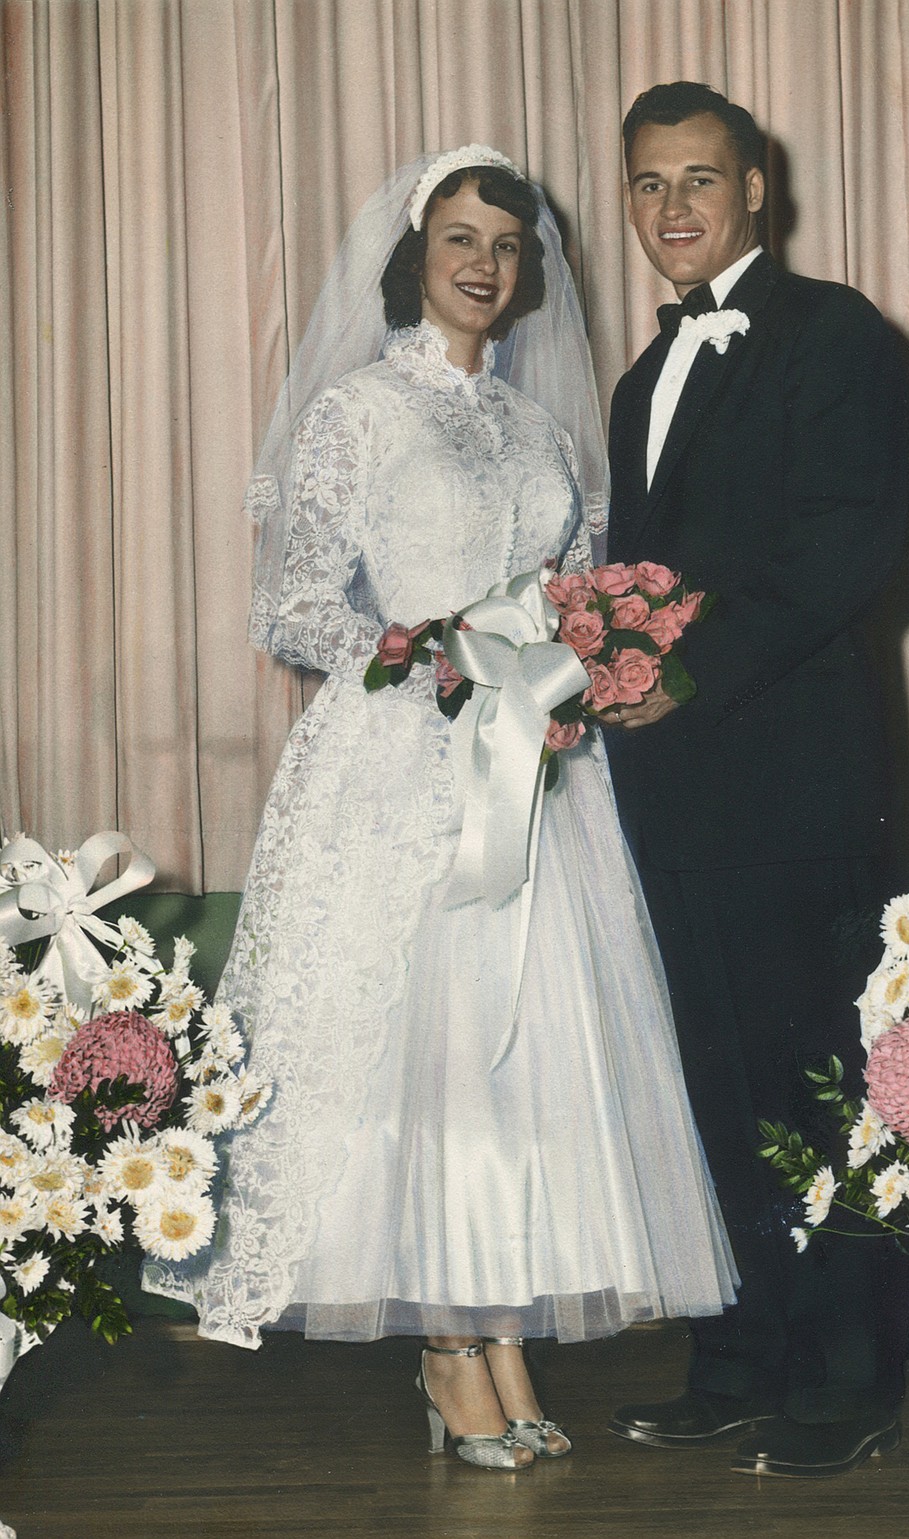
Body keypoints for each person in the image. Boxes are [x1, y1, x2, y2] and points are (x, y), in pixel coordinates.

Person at [145, 146, 736, 1473]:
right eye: (460, 240)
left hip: (535, 772)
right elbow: (292, 607)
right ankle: (447, 1345)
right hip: (397, 763)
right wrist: (430, 656)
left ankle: (498, 1327)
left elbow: (578, 597)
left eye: (506, 247)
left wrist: (574, 667)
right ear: (417, 257)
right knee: (432, 1050)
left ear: (529, 276)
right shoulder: (356, 412)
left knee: (519, 1054)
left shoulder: (538, 432)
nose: (482, 265)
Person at [603, 83, 909, 1478]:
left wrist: (687, 678)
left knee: (817, 1079)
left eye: (699, 182)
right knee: (704, 1083)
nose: (674, 210)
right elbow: (631, 589)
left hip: (797, 783)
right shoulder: (635, 380)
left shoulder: (834, 332)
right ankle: (735, 1356)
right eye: (649, 186)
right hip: (671, 794)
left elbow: (850, 552)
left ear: (753, 194)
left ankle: (845, 1377)